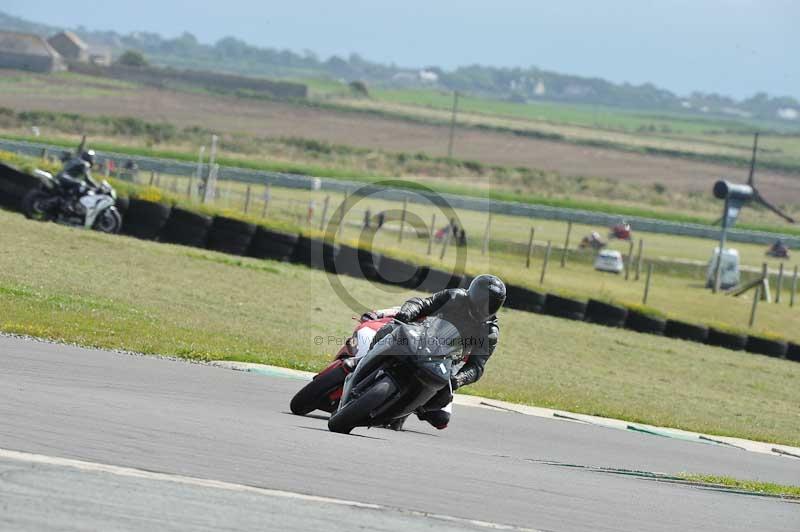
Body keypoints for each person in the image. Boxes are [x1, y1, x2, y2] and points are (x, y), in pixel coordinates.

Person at [357, 274, 505, 430]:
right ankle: (364, 359)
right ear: (473, 292)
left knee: (441, 416)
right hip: (422, 337)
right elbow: (422, 303)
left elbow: (477, 366)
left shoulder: (489, 332)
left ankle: (404, 410)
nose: (483, 306)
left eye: (490, 303)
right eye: (482, 299)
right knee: (390, 329)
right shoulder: (454, 296)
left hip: (448, 361)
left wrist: (459, 379)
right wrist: (407, 312)